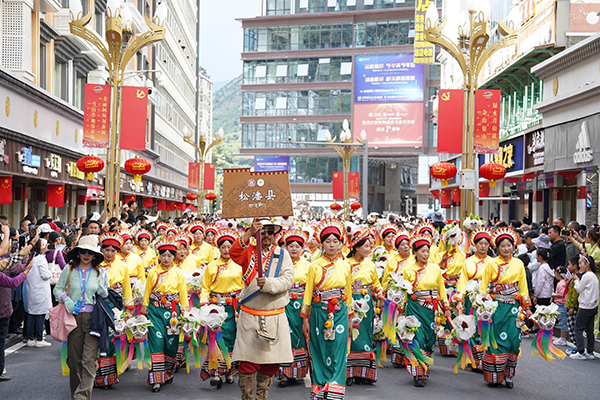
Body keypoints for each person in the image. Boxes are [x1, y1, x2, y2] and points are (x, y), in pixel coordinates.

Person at [230, 217, 294, 400]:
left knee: (270, 363)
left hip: (274, 316)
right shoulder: (248, 251)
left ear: (275, 234)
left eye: (270, 232)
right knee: (247, 363)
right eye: (262, 231)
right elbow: (234, 253)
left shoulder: (283, 254)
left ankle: (262, 396)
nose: (266, 235)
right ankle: (247, 397)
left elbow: (287, 280)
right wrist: (249, 233)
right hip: (250, 315)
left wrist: (268, 283)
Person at [300, 218, 352, 398]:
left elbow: (348, 293)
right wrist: (305, 318)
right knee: (319, 348)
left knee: (338, 347)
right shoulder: (314, 266)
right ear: (321, 243)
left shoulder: (345, 266)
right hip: (318, 311)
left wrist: (351, 318)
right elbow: (307, 293)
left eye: (335, 241)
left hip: (340, 312)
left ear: (340, 244)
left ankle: (335, 385)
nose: (331, 245)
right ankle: (320, 384)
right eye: (327, 241)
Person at [54, 235, 109, 399]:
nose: (86, 255)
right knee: (75, 361)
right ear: (78, 252)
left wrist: (100, 287)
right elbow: (57, 289)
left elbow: (106, 294)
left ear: (95, 255)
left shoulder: (101, 271)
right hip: (73, 318)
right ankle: (76, 394)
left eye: (90, 253)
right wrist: (67, 300)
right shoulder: (69, 269)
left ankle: (82, 397)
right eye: (83, 251)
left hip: (94, 319)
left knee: (89, 360)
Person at [478, 227, 532, 388]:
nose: (506, 248)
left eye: (509, 245)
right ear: (497, 247)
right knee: (495, 340)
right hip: (495, 308)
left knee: (514, 340)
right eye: (503, 246)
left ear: (514, 246)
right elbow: (483, 287)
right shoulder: (491, 264)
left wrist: (527, 307)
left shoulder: (519, 264)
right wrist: (482, 304)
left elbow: (523, 287)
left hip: (514, 308)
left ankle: (509, 375)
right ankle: (494, 375)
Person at [141, 239, 189, 392]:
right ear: (159, 256)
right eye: (164, 255)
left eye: (170, 255)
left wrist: (186, 313)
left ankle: (167, 372)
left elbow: (183, 295)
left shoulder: (179, 273)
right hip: (155, 311)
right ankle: (156, 378)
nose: (167, 258)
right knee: (156, 340)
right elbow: (147, 292)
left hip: (173, 312)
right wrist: (143, 311)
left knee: (171, 344)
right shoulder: (152, 272)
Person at [199, 229, 243, 388]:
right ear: (218, 248)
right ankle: (217, 373)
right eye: (223, 247)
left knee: (232, 337)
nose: (226, 250)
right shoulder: (211, 266)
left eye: (229, 247)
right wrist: (204, 306)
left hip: (234, 308)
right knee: (216, 338)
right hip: (216, 308)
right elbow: (205, 288)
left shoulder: (239, 264)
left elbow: (244, 286)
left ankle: (230, 371)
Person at [346, 227, 383, 385]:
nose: (369, 249)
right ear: (356, 247)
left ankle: (365, 374)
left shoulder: (370, 265)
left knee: (366, 336)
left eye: (370, 246)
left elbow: (376, 284)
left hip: (367, 303)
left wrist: (380, 293)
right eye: (366, 246)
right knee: (351, 336)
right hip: (350, 302)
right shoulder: (345, 264)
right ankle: (349, 374)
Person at [454, 227, 494, 368]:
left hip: (488, 298)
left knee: (487, 326)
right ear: (475, 245)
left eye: (486, 243)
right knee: (472, 326)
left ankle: (486, 358)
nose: (483, 246)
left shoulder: (493, 262)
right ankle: (474, 359)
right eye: (480, 243)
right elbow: (462, 282)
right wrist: (459, 300)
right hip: (471, 299)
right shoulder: (468, 262)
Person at [0, 234, 37, 382]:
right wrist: (27, 270)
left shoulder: (6, 262)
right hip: (3, 310)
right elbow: (13, 281)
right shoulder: (4, 263)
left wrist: (30, 248)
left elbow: (14, 262)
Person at [277, 228, 310, 387]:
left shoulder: (308, 266)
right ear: (285, 247)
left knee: (300, 336)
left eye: (298, 245)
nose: (295, 248)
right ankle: (284, 373)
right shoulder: (279, 263)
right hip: (283, 303)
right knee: (284, 335)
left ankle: (297, 372)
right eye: (291, 245)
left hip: (301, 306)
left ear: (302, 248)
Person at [381, 230, 411, 368]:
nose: (406, 247)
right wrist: (383, 297)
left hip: (410, 297)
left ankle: (409, 354)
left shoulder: (414, 260)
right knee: (395, 323)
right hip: (395, 297)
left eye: (408, 244)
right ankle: (398, 356)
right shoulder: (392, 261)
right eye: (402, 244)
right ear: (397, 247)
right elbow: (386, 280)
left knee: (408, 324)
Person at [569, 255, 599, 360]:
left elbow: (579, 289)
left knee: (578, 328)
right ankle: (590, 352)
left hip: (585, 306)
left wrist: (576, 280)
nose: (580, 265)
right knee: (589, 329)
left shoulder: (586, 276)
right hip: (593, 306)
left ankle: (581, 351)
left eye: (581, 263)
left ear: (587, 264)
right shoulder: (593, 276)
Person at [25, 238, 52, 347]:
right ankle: (39, 339)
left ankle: (30, 338)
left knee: (31, 315)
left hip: (31, 289)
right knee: (40, 315)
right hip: (40, 290)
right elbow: (45, 275)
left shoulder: (31, 257)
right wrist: (50, 273)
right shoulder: (41, 258)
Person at [565, 256, 581, 350]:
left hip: (573, 306)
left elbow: (575, 294)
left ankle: (577, 346)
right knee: (571, 326)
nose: (568, 266)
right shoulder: (573, 277)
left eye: (570, 264)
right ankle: (576, 346)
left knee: (573, 327)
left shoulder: (577, 279)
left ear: (575, 266)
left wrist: (572, 307)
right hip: (570, 305)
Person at [551, 266, 569, 346]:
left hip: (561, 304)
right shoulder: (564, 282)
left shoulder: (561, 283)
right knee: (561, 321)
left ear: (558, 274)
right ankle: (562, 338)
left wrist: (553, 294)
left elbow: (561, 294)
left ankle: (563, 338)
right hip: (562, 304)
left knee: (562, 321)